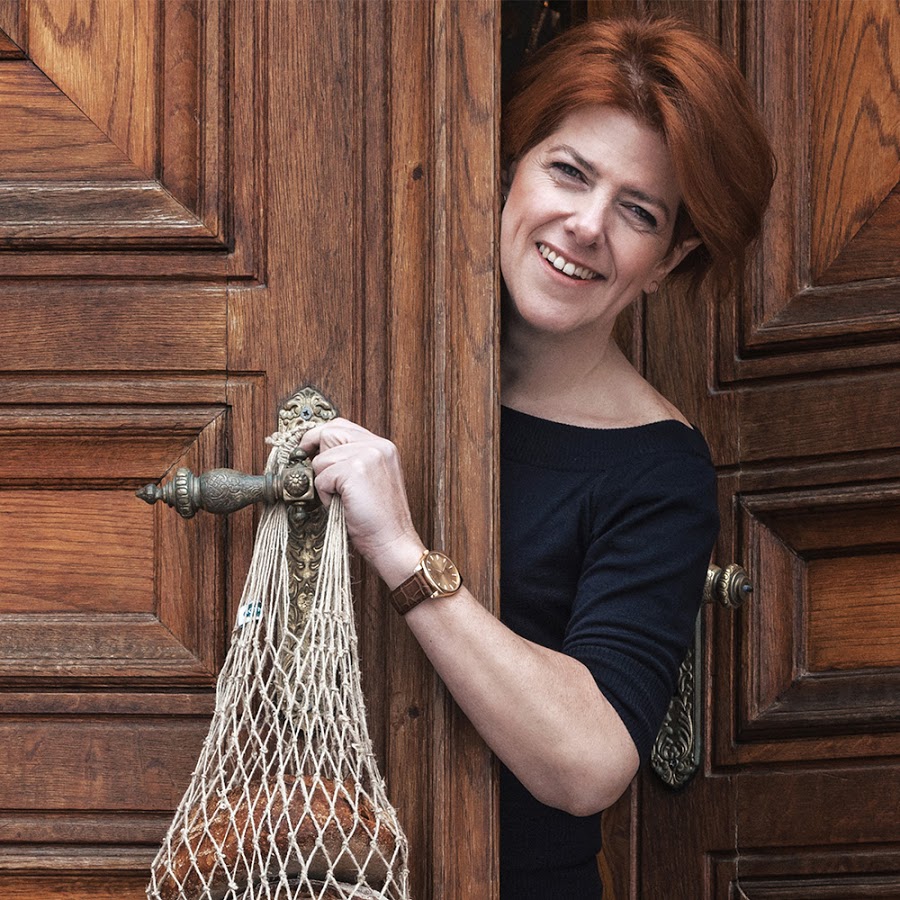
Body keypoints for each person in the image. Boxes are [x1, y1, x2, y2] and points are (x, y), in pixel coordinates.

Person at [300, 15, 774, 899]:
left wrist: (402, 553)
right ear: (507, 169)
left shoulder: (658, 470)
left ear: (668, 258)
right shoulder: (366, 345)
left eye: (638, 211)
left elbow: (589, 762)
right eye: (569, 172)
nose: (587, 225)